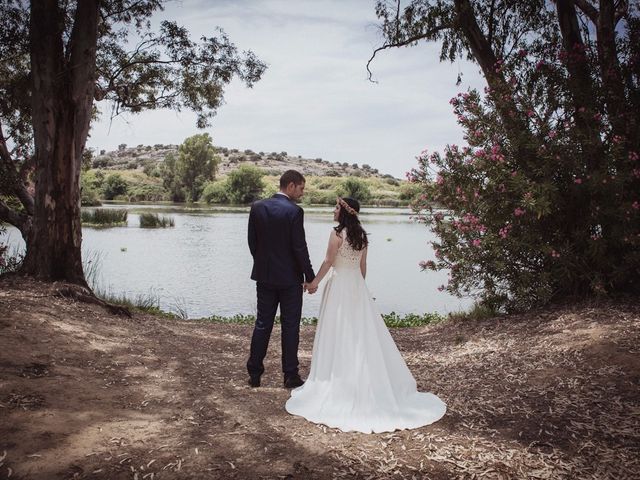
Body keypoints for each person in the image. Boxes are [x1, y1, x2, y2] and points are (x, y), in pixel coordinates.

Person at [285, 197, 446, 433]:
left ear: (345, 212)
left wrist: (313, 283)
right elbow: (363, 267)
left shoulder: (337, 233)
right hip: (356, 286)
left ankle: (336, 375)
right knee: (360, 332)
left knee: (337, 329)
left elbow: (329, 262)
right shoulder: (362, 236)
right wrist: (360, 289)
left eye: (337, 207)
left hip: (339, 285)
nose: (334, 210)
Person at [247, 170, 316, 389]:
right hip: (289, 280)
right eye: (301, 188)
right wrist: (309, 275)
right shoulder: (295, 211)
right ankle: (290, 375)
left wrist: (263, 264)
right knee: (290, 326)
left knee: (262, 323)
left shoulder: (257, 207)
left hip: (265, 276)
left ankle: (255, 373)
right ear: (291, 186)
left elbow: (252, 242)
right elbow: (299, 247)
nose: (302, 193)